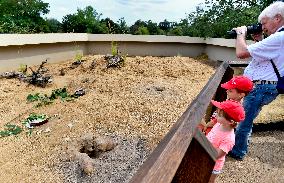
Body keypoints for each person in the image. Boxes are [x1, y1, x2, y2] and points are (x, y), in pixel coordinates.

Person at [228, 1, 284, 161]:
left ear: (278, 18)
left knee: (244, 120)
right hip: (264, 87)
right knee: (247, 118)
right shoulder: (279, 38)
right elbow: (268, 58)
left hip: (261, 88)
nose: (262, 27)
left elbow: (241, 52)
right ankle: (239, 147)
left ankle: (238, 151)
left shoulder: (280, 37)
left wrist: (241, 34)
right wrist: (259, 39)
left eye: (264, 23)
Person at [206, 100, 245, 183]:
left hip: (213, 164)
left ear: (230, 121)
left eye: (219, 115)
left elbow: (217, 155)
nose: (216, 115)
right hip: (206, 156)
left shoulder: (229, 139)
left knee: (209, 180)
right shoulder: (219, 124)